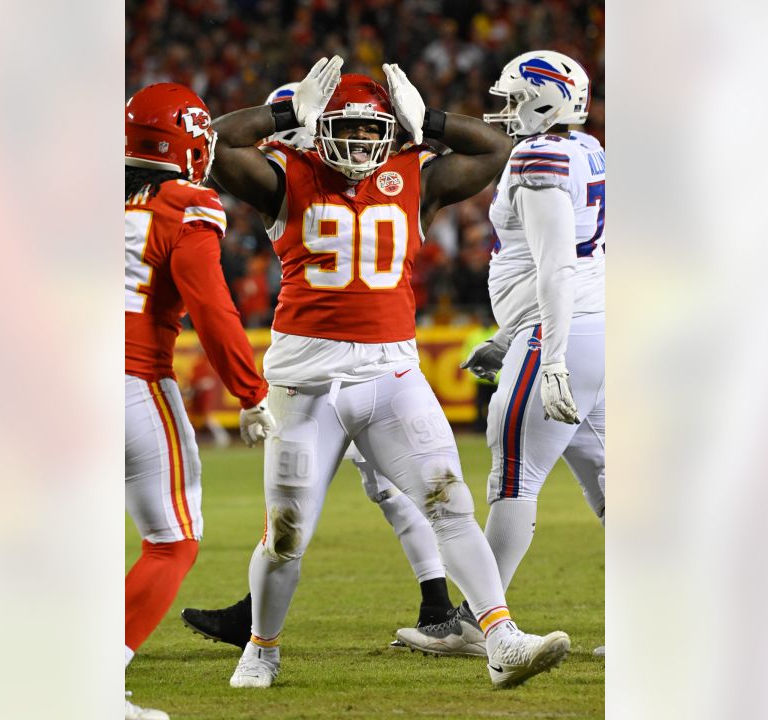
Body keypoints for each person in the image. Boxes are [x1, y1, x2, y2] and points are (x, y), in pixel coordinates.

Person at [207, 55, 570, 690]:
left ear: (391, 129)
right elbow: (211, 142)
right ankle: (261, 648)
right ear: (319, 128)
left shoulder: (415, 174)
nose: (357, 142)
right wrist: (283, 114)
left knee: (449, 502)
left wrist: (428, 119)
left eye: (370, 129)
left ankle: (501, 638)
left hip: (391, 372)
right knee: (287, 533)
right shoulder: (286, 177)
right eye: (343, 129)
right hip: (305, 384)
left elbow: (496, 148)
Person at [180, 82, 466, 655]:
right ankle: (432, 603)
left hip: (354, 363)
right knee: (340, 504)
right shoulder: (312, 175)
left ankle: (445, 606)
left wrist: (425, 121)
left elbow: (226, 145)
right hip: (338, 361)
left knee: (385, 495)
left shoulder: (349, 174)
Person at [405, 50, 607, 659]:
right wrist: (505, 337)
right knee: (610, 482)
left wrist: (549, 355)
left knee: (513, 478)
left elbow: (556, 265)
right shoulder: (586, 146)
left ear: (546, 98)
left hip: (560, 334)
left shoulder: (539, 157)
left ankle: (477, 624)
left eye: (517, 98)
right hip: (594, 329)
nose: (508, 110)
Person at [123, 82, 277, 719]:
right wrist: (250, 390)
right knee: (173, 540)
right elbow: (212, 309)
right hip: (131, 378)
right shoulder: (185, 205)